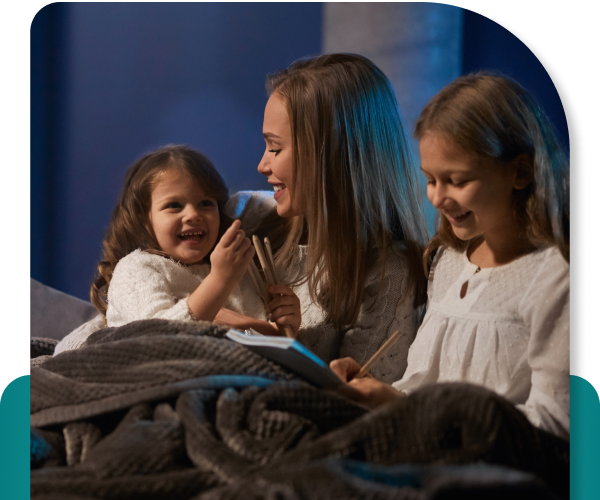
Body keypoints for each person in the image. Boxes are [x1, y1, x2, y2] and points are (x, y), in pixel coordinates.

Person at [331, 73, 570, 439]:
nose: (438, 199)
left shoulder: (557, 277)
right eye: (431, 179)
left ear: (520, 172)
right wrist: (378, 394)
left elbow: (554, 429)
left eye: (457, 181)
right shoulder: (447, 259)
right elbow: (424, 387)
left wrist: (403, 409)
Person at [221, 53, 430, 383]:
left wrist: (287, 344)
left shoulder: (390, 277)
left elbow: (351, 401)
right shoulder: (245, 217)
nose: (262, 166)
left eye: (275, 149)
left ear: (331, 155)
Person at [86, 145, 300, 335]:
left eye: (206, 203)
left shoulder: (239, 271)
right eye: (174, 206)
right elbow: (156, 337)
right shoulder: (136, 268)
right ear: (143, 219)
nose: (193, 215)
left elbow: (256, 343)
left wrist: (283, 329)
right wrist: (219, 281)